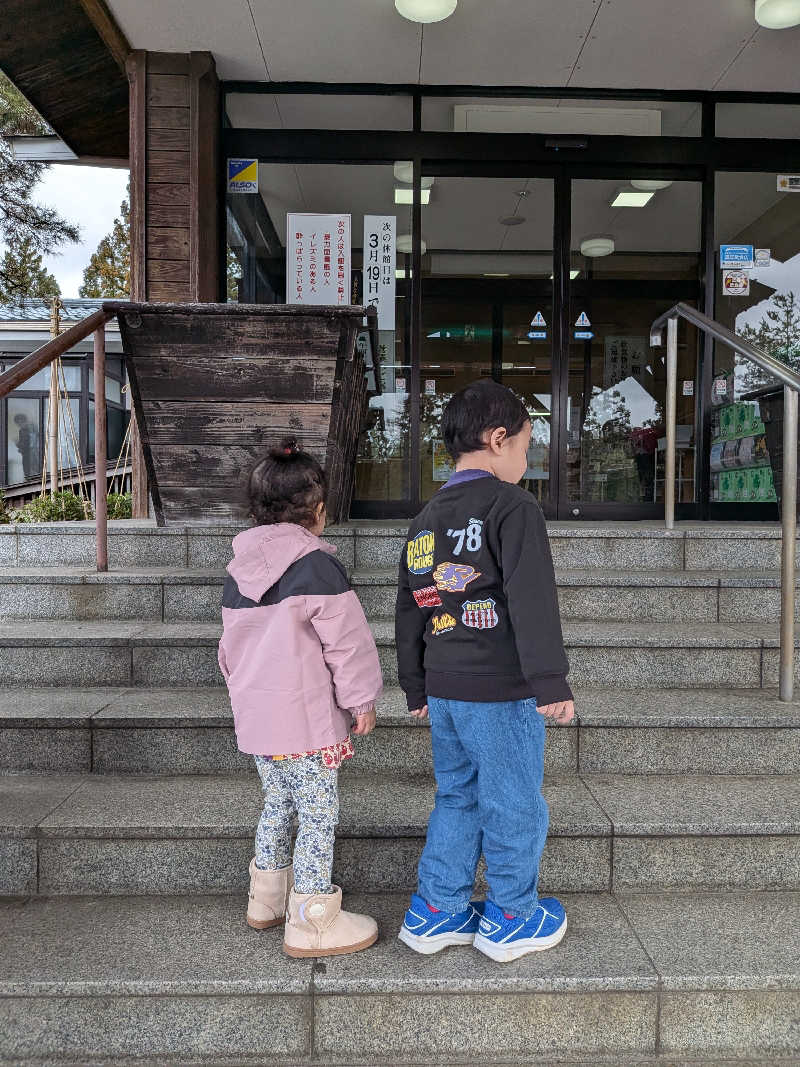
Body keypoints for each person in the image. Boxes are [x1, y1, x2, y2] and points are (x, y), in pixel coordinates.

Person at [395, 380, 574, 964]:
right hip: (501, 690)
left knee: (458, 796)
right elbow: (531, 599)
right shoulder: (512, 506)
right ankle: (511, 914)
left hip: (445, 690)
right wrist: (550, 683)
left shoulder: (426, 517)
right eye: (526, 446)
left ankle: (437, 909)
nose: (527, 459)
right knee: (513, 800)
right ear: (498, 440)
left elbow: (412, 603)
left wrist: (414, 685)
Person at [218, 436, 382, 958]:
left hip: (260, 720)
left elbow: (228, 652)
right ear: (317, 510)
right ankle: (312, 916)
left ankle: (265, 898)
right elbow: (348, 646)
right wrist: (362, 701)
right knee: (317, 812)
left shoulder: (237, 572)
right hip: (306, 721)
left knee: (278, 803)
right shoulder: (317, 567)